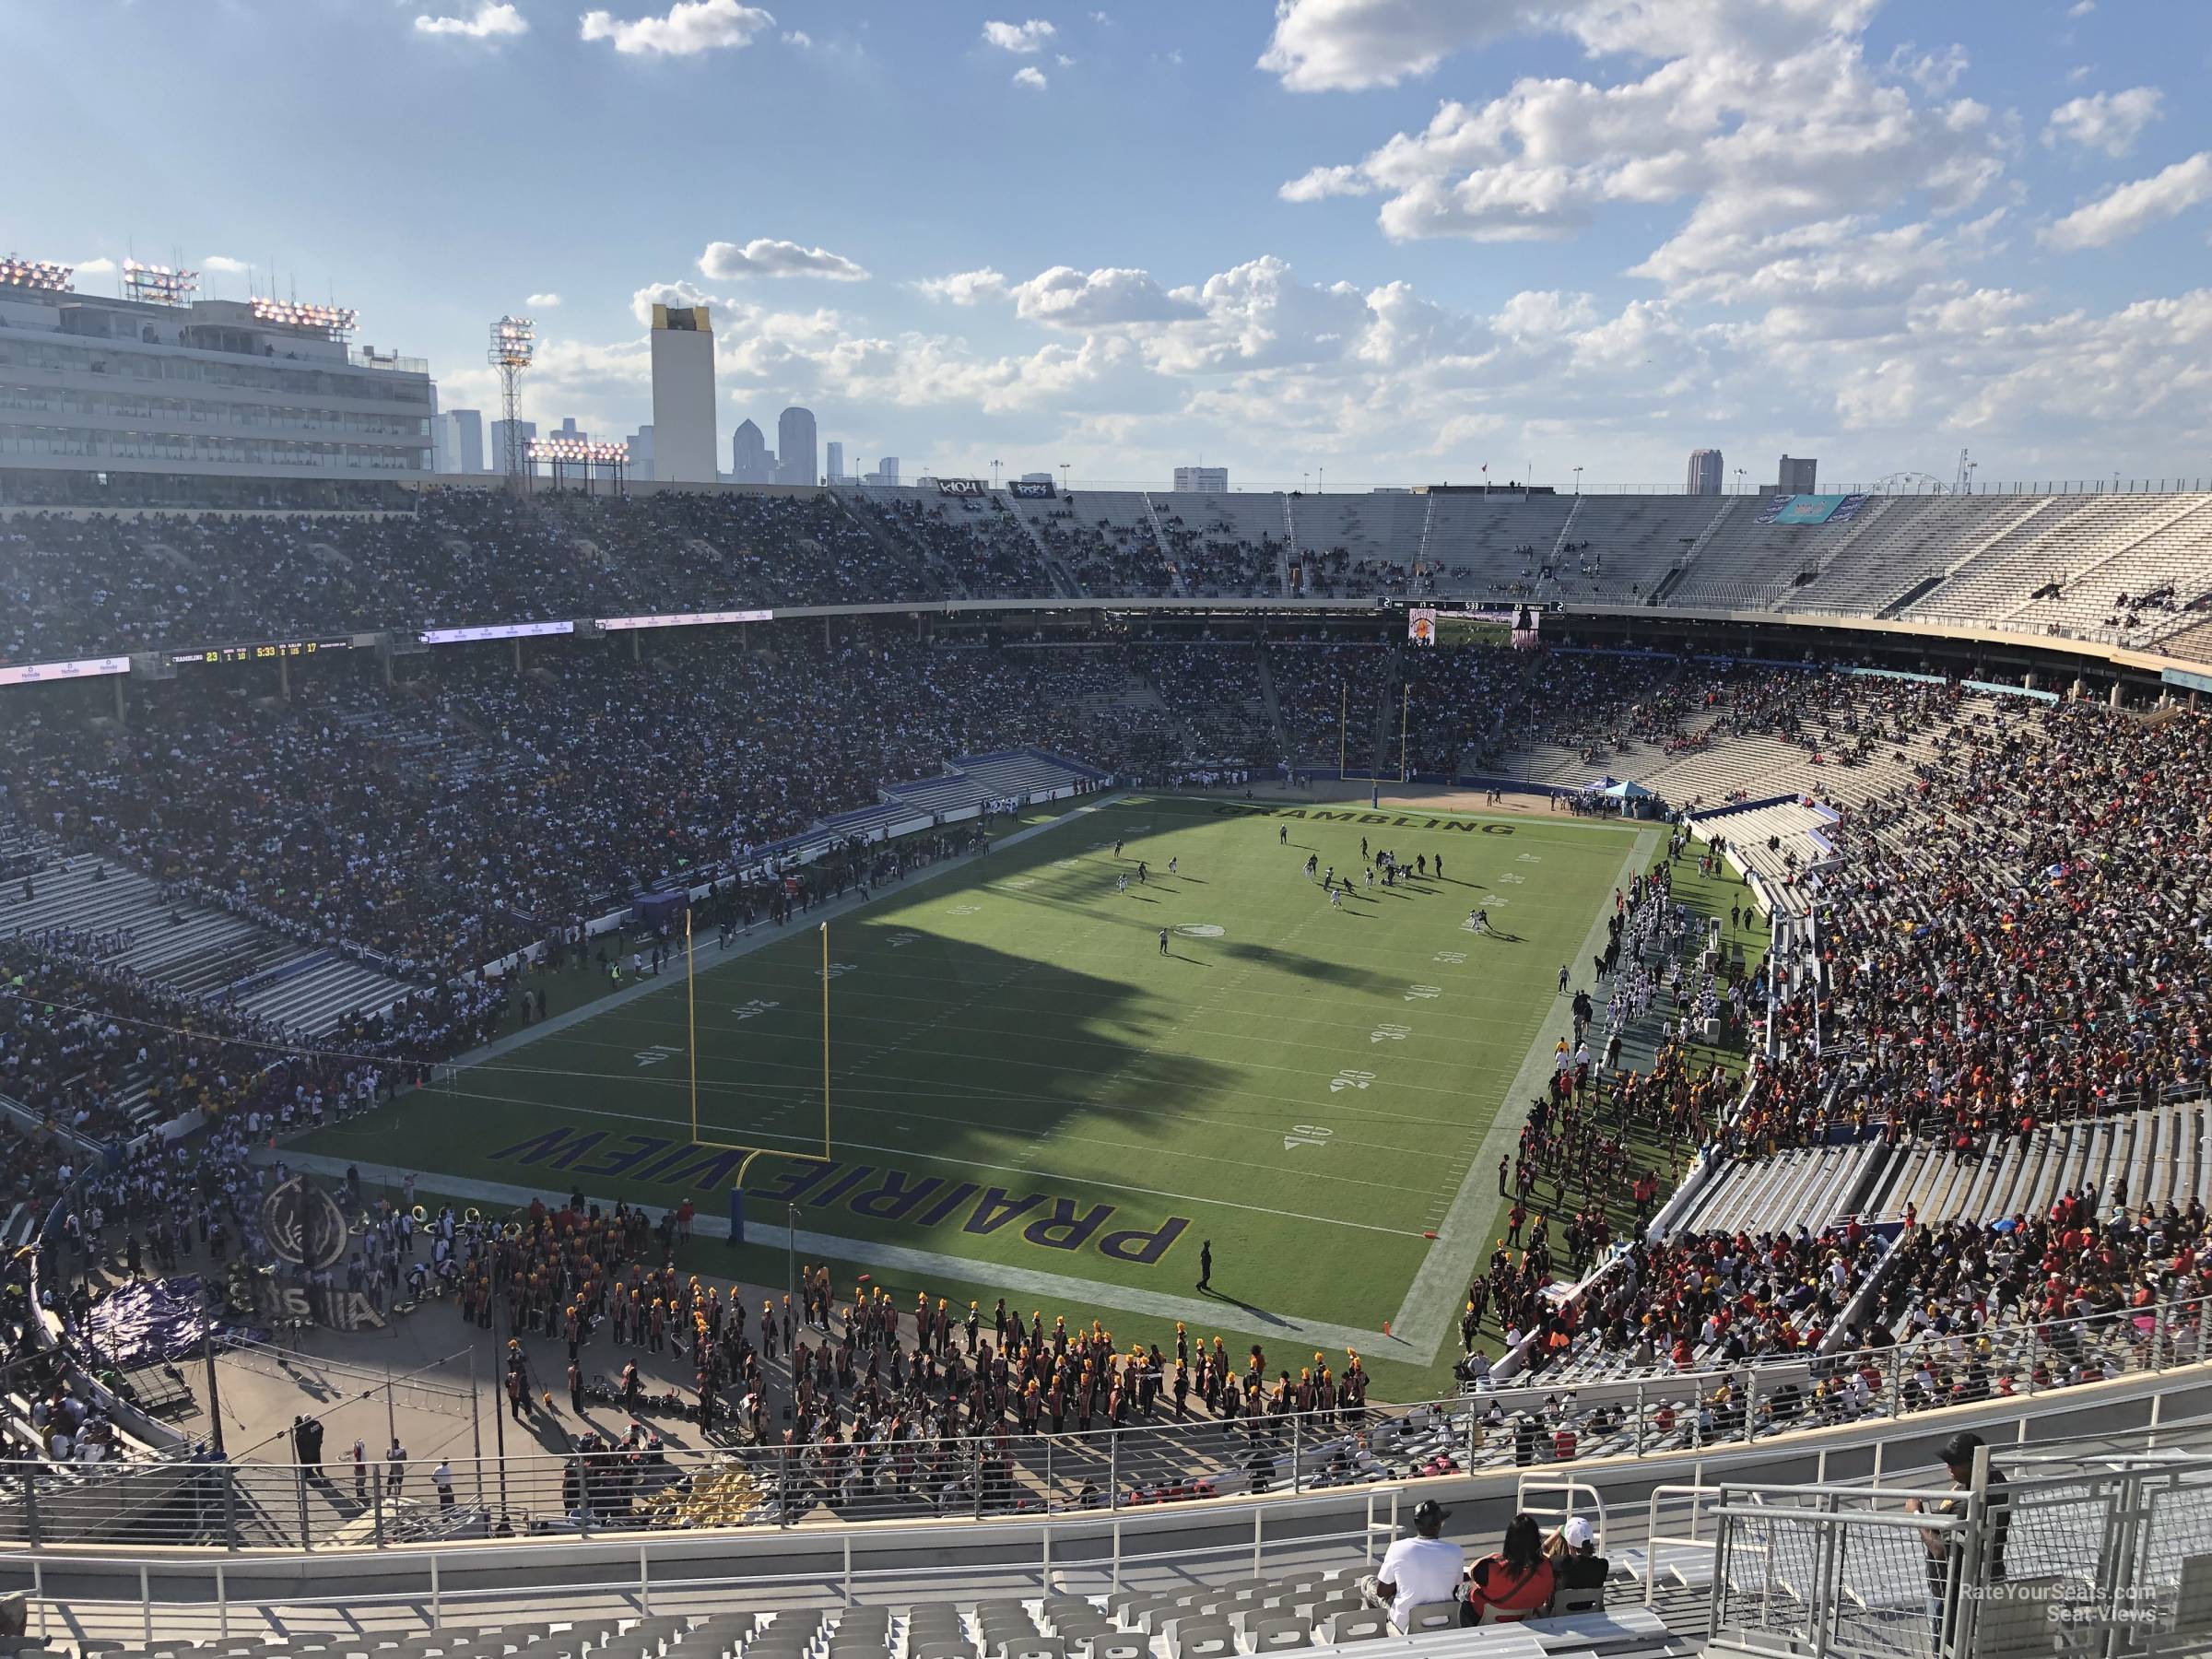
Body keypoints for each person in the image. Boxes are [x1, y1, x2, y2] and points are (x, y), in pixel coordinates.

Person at [1908, 1430, 2008, 1641]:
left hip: (1954, 1592)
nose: (1949, 1467)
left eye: (1956, 1462)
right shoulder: (1989, 1480)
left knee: (1948, 1647)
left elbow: (1940, 1550)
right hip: (1978, 1583)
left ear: (1974, 1462)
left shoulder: (1970, 1500)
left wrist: (1915, 1514)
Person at [1365, 1500, 1465, 1632]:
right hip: (1445, 1621)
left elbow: (1381, 1592)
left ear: (1416, 1524)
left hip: (1406, 1627)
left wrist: (1401, 1584)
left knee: (1367, 1582)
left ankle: (1385, 1631)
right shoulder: (1456, 1551)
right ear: (1440, 1524)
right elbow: (1454, 1588)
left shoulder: (1397, 1548)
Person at [1464, 1513, 1555, 1626]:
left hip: (1485, 1618)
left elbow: (1471, 1571)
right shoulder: (1548, 1569)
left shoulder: (1491, 1569)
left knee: (1464, 1592)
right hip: (1525, 1618)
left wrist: (1492, 1556)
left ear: (1509, 1540)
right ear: (1537, 1539)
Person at [1547, 1517, 1608, 1610]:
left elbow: (1540, 1553)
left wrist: (1559, 1531)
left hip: (1560, 1614)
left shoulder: (1560, 1563)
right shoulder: (1603, 1565)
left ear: (1569, 1544)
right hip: (1588, 1611)